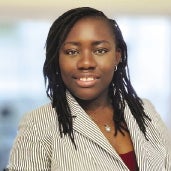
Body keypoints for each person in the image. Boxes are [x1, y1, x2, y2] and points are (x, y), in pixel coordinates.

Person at [6, 7, 171, 171]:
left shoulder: (144, 110)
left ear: (117, 57)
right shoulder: (39, 124)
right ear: (57, 59)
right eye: (72, 52)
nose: (86, 63)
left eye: (100, 50)